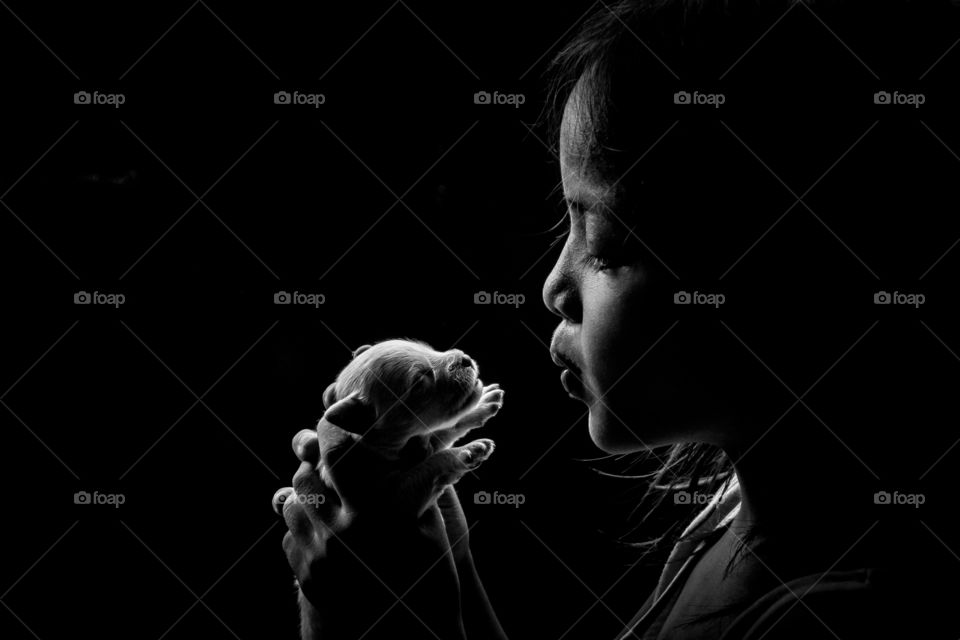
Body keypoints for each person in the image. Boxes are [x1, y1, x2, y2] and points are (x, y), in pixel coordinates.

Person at [275, 1, 960, 637]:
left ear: (778, 277)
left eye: (606, 244)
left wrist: (380, 620)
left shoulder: (840, 614)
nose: (552, 287)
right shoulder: (727, 511)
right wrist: (438, 568)